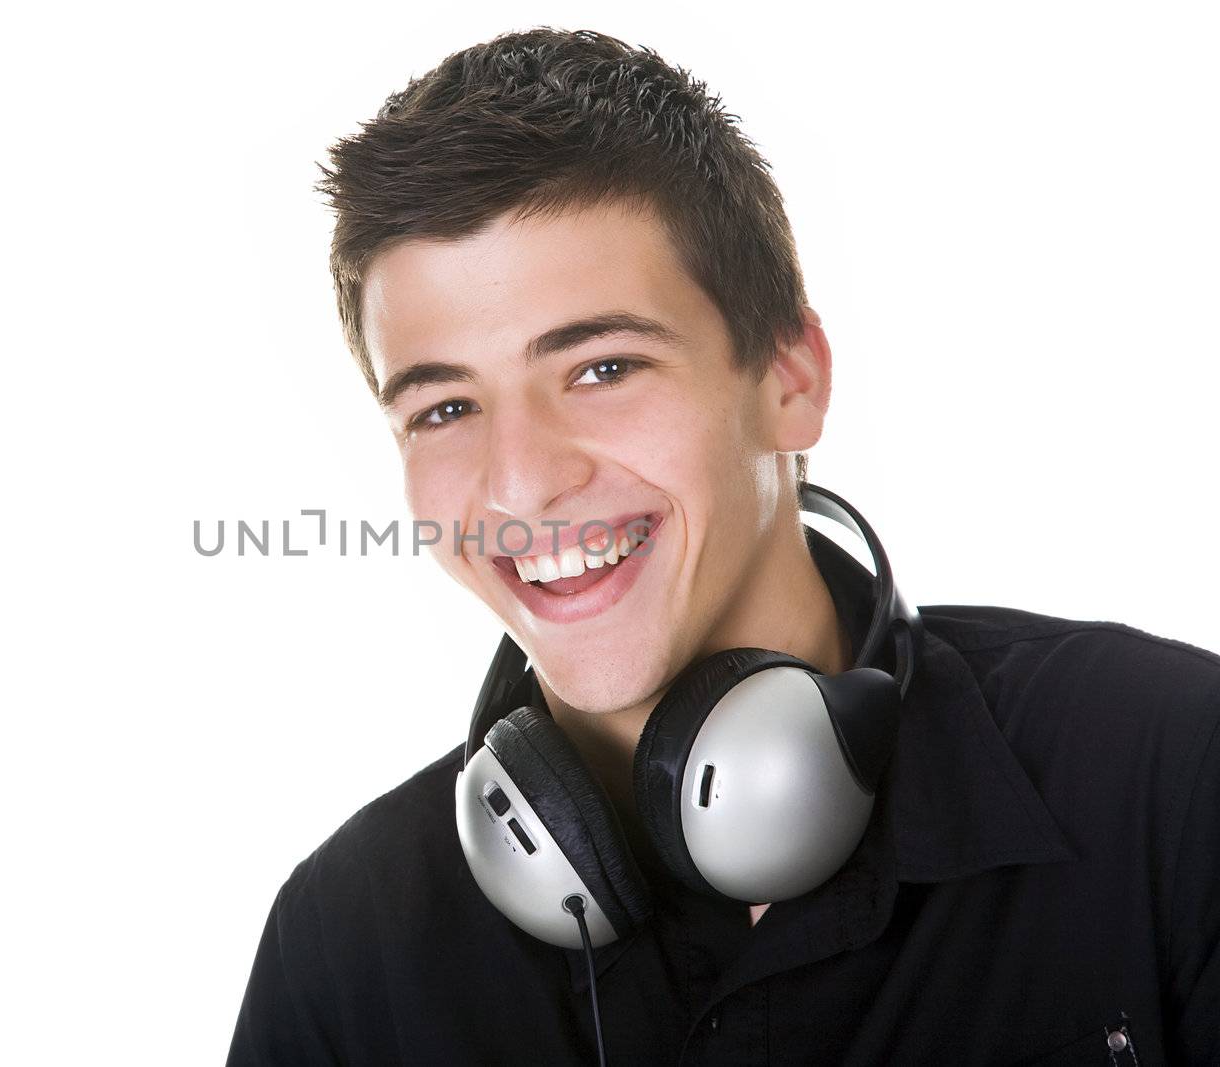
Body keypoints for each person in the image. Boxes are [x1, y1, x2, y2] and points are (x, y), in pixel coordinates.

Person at [227, 26, 1220, 1065]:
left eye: (602, 368)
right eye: (443, 408)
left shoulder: (1168, 779)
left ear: (789, 378)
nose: (519, 482)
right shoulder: (344, 951)